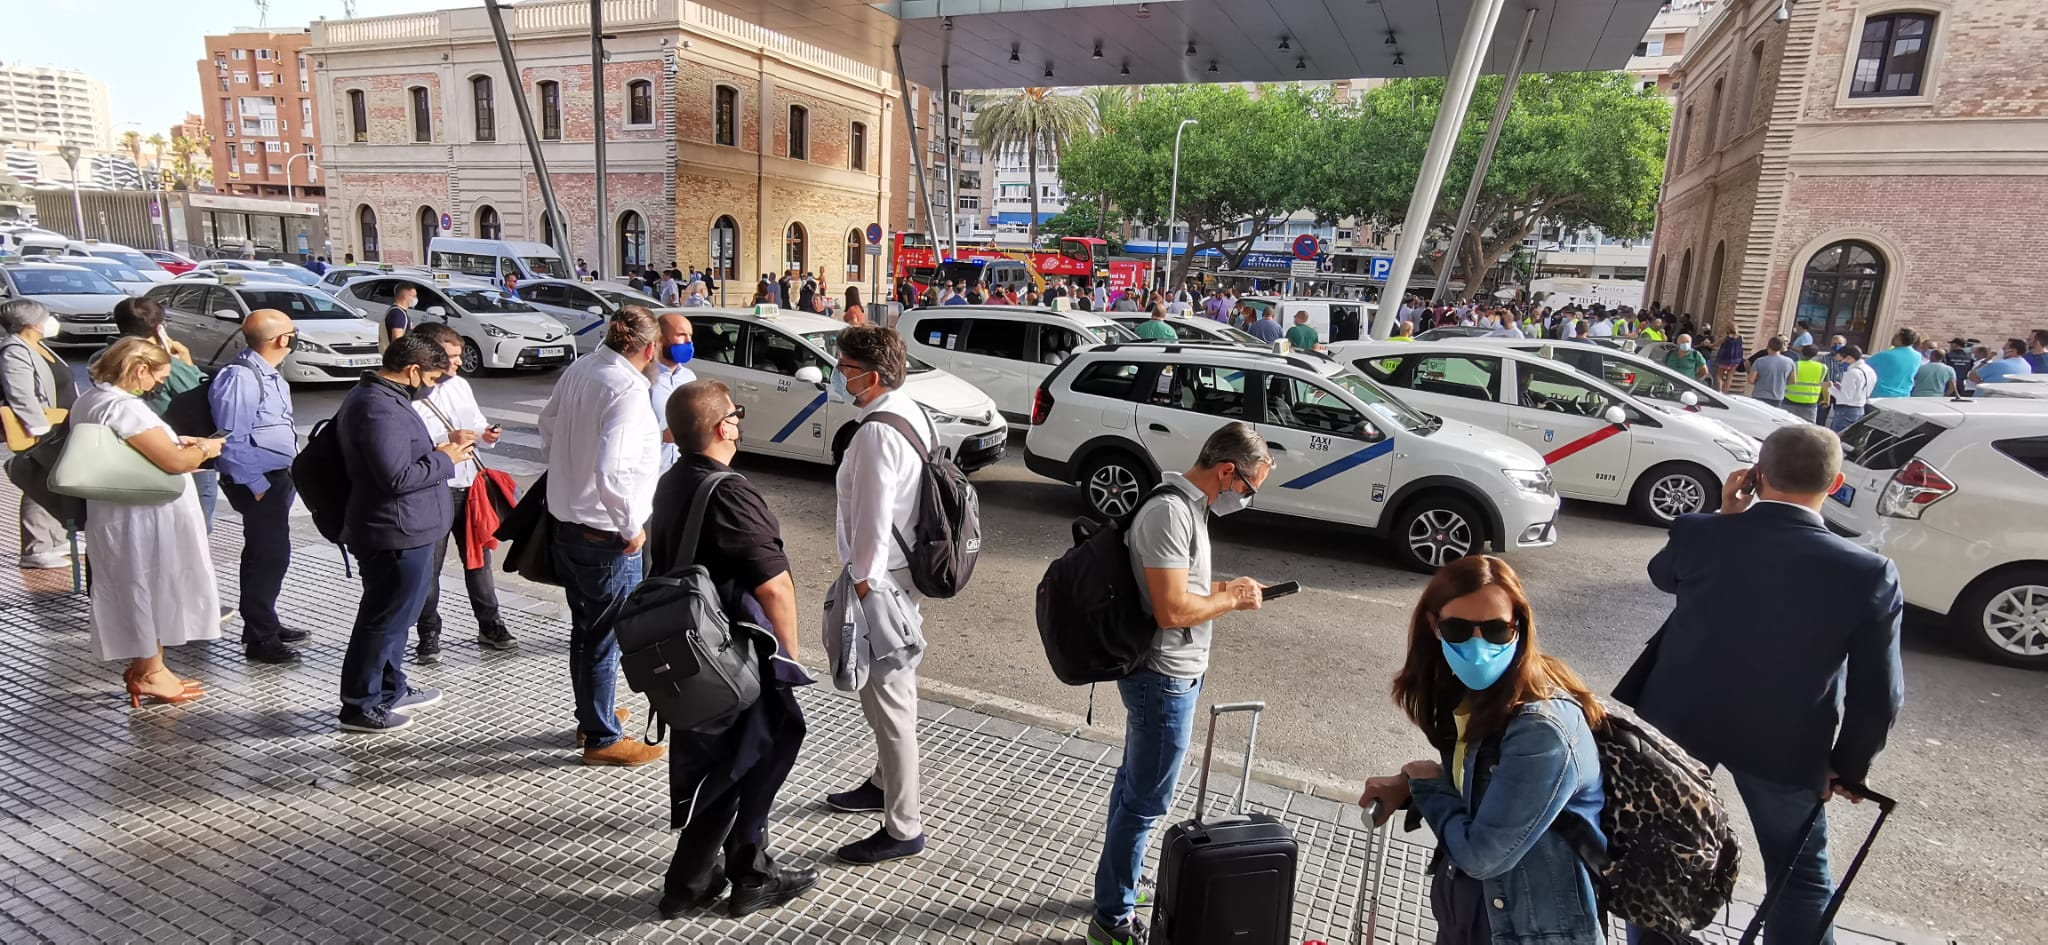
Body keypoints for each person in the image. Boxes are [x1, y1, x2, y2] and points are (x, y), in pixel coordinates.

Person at [1622, 425, 1903, 945]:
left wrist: (1727, 515)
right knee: (1798, 878)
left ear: (1756, 474)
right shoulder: (1868, 572)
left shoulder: (1699, 531)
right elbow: (1880, 691)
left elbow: (1665, 576)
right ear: (1837, 483)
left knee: (1662, 854)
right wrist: (1847, 768)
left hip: (1678, 724)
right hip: (1787, 744)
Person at [1353, 555, 1608, 945]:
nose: (1478, 646)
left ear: (1518, 628)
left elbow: (1483, 856)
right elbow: (1480, 796)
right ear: (1433, 627)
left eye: (1495, 631)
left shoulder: (1541, 730)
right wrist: (1411, 785)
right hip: (1476, 918)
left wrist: (1428, 786)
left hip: (1526, 931)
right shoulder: (1470, 695)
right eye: (1458, 629)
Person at [1085, 423, 1271, 945]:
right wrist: (1231, 600)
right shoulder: (1170, 511)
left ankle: (1117, 884)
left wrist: (1227, 588)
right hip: (1162, 677)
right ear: (1227, 471)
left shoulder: (1191, 508)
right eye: (1250, 487)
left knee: (1133, 788)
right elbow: (1169, 609)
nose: (1248, 498)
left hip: (1171, 674)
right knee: (1146, 802)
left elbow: (1181, 587)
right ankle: (1113, 919)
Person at [649, 378, 819, 919]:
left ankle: (729, 875)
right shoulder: (730, 490)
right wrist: (789, 660)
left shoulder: (673, 480)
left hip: (690, 653)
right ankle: (710, 881)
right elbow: (775, 586)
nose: (738, 422)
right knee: (757, 751)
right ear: (724, 426)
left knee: (730, 759)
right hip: (737, 656)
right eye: (736, 414)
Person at [821, 325, 936, 866]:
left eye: (845, 368)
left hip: (881, 580)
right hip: (906, 573)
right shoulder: (911, 410)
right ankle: (879, 782)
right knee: (895, 693)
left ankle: (903, 825)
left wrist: (863, 589)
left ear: (871, 374)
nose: (839, 375)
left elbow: (871, 517)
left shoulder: (873, 434)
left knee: (889, 703)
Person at [540, 307, 667, 765]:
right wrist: (630, 526)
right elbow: (613, 469)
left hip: (569, 525)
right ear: (649, 349)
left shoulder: (582, 368)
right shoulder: (628, 391)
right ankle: (601, 736)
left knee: (585, 629)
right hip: (605, 534)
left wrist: (568, 475)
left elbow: (547, 427)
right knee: (602, 636)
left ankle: (592, 712)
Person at [69, 338, 226, 706]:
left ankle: (150, 666)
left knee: (138, 584)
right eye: (159, 376)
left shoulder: (92, 399)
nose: (158, 386)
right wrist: (206, 448)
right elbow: (173, 462)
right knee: (146, 584)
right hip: (140, 515)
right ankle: (150, 671)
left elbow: (137, 448)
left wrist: (176, 441)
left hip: (121, 510)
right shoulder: (123, 407)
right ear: (140, 369)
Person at [334, 335, 472, 733]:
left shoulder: (387, 400)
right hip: (393, 530)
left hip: (408, 527)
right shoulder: (378, 408)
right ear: (412, 370)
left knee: (399, 616)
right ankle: (360, 704)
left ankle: (391, 688)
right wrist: (444, 459)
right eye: (431, 376)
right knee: (384, 619)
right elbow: (395, 476)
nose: (432, 385)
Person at [407, 322, 516, 661]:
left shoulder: (461, 386)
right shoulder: (413, 394)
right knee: (430, 567)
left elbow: (476, 421)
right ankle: (429, 633)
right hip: (432, 487)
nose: (457, 362)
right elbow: (409, 444)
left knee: (479, 559)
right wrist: (446, 442)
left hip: (469, 485)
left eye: (457, 356)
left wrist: (487, 433)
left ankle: (490, 623)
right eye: (451, 356)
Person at [210, 309, 307, 664]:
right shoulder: (241, 377)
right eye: (293, 333)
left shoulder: (266, 372)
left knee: (266, 556)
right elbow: (230, 437)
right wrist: (256, 485)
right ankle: (261, 639)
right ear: (282, 340)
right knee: (268, 556)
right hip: (258, 482)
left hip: (276, 476)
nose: (295, 338)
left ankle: (263, 622)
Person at [111, 297, 222, 535]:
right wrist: (189, 364)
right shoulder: (166, 364)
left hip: (128, 460)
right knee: (196, 529)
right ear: (160, 328)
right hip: (181, 455)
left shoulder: (105, 359)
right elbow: (200, 395)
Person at [1, 298, 79, 571]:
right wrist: (39, 428)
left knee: (54, 480)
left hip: (60, 424)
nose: (51, 320)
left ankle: (57, 538)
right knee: (38, 482)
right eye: (46, 316)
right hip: (43, 429)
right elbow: (20, 392)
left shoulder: (38, 346)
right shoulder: (14, 350)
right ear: (32, 323)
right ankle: (36, 548)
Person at [648, 311, 697, 473]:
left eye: (690, 335)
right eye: (681, 335)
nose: (688, 341)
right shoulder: (645, 378)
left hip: (680, 472)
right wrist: (663, 437)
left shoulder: (689, 377)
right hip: (651, 472)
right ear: (661, 339)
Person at [1828, 346, 1876, 432]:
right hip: (1860, 408)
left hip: (1846, 410)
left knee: (1838, 438)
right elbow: (1860, 390)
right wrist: (1841, 388)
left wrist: (1830, 388)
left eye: (1840, 361)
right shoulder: (1870, 370)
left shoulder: (1851, 373)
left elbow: (1844, 398)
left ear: (1849, 358)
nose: (1840, 364)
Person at [1865, 328, 1923, 399]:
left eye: (1895, 336)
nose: (1892, 338)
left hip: (1880, 395)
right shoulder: (1918, 356)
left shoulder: (1885, 355)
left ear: (1899, 338)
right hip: (1904, 394)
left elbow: (1862, 367)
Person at [1748, 337, 1795, 409]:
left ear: (1768, 346)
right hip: (1778, 397)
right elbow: (1793, 381)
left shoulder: (1759, 361)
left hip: (1759, 395)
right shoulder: (1790, 362)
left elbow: (1751, 380)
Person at [1784, 346, 1828, 422]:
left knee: (1785, 424)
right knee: (1807, 428)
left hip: (1790, 400)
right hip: (1810, 402)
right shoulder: (1823, 368)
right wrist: (1826, 399)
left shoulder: (1795, 365)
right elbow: (1825, 385)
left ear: (1801, 353)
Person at [1970, 338, 2036, 386]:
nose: (2002, 351)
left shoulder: (1998, 365)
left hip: (1988, 398)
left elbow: (1972, 376)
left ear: (2013, 350)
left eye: (2004, 348)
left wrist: (1985, 361)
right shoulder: (2027, 366)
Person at [382, 282, 416, 351]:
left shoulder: (396, 311)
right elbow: (397, 337)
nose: (415, 299)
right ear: (406, 296)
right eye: (414, 296)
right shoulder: (398, 314)